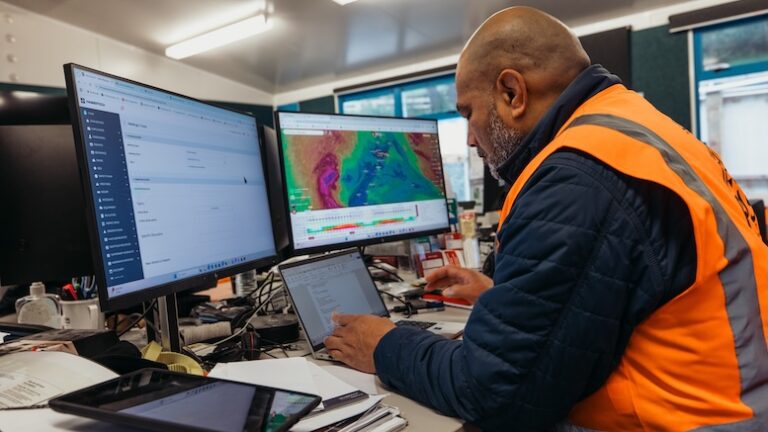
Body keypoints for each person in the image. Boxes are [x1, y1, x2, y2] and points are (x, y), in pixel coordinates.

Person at [324, 6, 768, 431]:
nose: (470, 138)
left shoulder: (576, 179)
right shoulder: (634, 128)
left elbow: (496, 393)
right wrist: (501, 295)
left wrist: (384, 345)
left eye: (467, 112)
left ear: (512, 93)